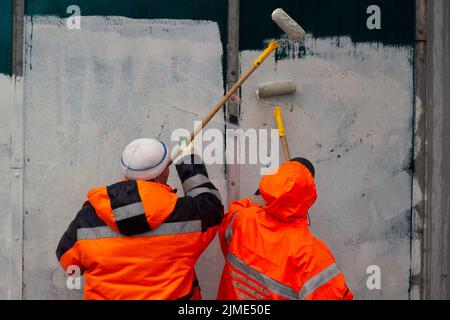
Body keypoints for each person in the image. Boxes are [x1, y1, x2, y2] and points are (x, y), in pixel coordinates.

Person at [56, 138, 223, 300]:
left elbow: (68, 262)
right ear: (163, 172)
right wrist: (189, 161)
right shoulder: (185, 215)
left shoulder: (88, 217)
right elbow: (212, 208)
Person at [217, 158, 353, 300]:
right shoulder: (312, 256)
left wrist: (260, 199)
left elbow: (229, 221)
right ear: (308, 195)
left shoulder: (244, 220)